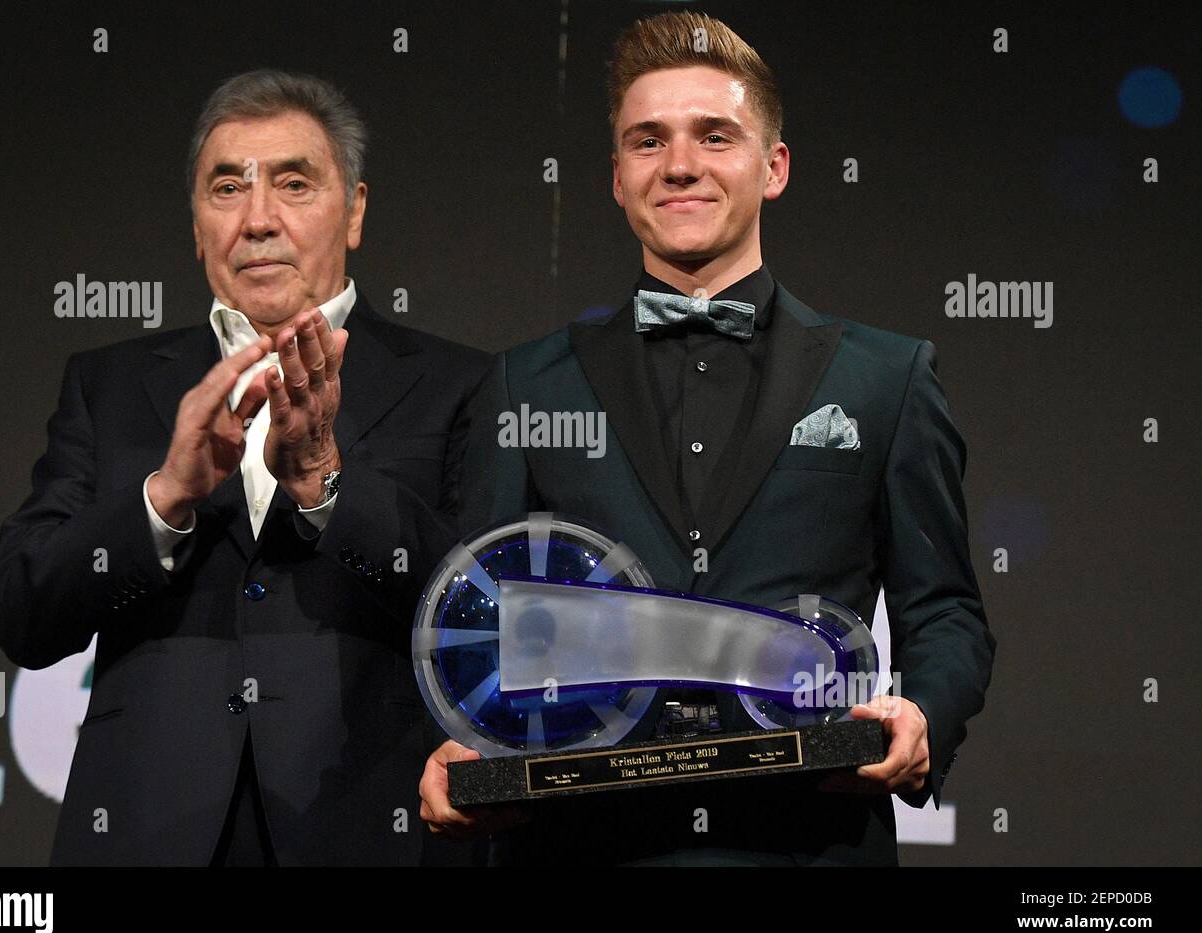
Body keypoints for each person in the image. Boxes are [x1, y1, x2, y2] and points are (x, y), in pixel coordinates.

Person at [419, 11, 995, 865]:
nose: (680, 164)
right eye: (647, 142)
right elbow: (478, 616)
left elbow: (943, 609)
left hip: (810, 844)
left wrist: (921, 719)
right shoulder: (525, 384)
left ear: (776, 167)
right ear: (616, 177)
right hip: (587, 850)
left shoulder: (887, 378)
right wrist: (464, 749)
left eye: (714, 136)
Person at [0, 69, 488, 865]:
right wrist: (164, 498)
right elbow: (20, 613)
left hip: (369, 827)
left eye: (294, 183)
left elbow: (484, 617)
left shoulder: (463, 385)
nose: (258, 220)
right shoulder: (108, 383)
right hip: (148, 834)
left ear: (354, 211)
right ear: (195, 222)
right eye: (227, 188)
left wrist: (326, 481)